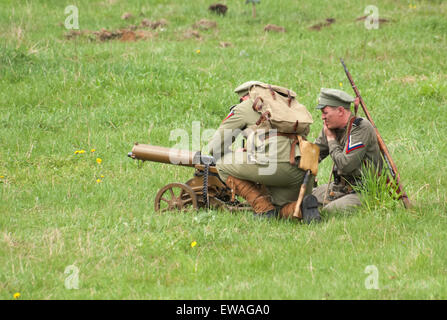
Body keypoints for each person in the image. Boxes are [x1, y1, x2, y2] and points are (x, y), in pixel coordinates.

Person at [208, 81, 320, 221]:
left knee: (222, 163)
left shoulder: (246, 106)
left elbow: (214, 148)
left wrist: (237, 154)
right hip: (303, 169)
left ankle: (263, 209)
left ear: (245, 97)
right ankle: (302, 209)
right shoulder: (286, 105)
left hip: (276, 166)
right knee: (280, 207)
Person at [312, 88, 383, 212]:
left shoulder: (360, 128)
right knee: (302, 198)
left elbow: (345, 165)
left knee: (328, 212)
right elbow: (312, 155)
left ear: (340, 111)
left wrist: (331, 140)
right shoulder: (331, 127)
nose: (322, 117)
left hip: (364, 191)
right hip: (340, 188)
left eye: (325, 112)